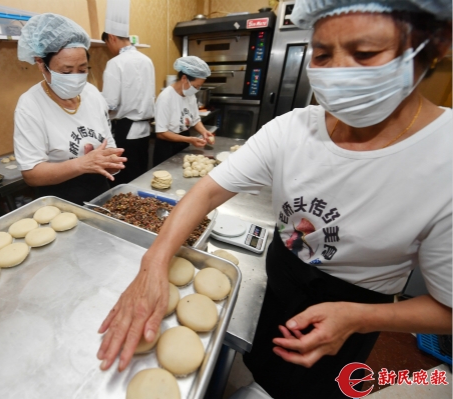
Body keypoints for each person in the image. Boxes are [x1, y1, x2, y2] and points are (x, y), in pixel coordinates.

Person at [96, 1, 452, 398]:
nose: (337, 72)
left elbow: (447, 310)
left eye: (365, 53)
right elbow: (208, 190)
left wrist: (359, 318)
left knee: (310, 389)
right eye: (321, 54)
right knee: (261, 366)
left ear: (436, 44)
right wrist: (154, 261)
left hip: (357, 305)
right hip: (282, 277)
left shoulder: (445, 158)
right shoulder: (291, 130)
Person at [13, 14, 126, 205]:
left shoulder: (92, 94)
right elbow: (31, 174)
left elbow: (108, 143)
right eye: (66, 71)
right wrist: (82, 164)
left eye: (82, 70)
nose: (75, 77)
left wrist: (112, 161)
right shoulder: (30, 105)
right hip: (59, 200)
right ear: (42, 64)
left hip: (100, 193)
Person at [101, 31, 156, 185]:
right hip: (145, 129)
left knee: (124, 181)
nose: (108, 48)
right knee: (140, 175)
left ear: (111, 38)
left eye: (107, 44)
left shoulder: (115, 62)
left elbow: (110, 103)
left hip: (126, 129)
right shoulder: (147, 60)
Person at [152, 56, 214, 166]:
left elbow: (195, 119)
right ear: (184, 78)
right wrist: (189, 140)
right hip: (167, 146)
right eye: (196, 86)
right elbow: (161, 133)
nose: (197, 89)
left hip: (184, 142)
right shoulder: (165, 98)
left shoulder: (189, 94)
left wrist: (204, 132)